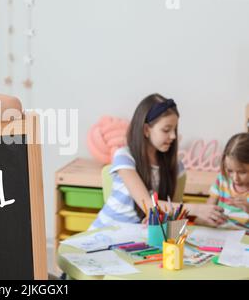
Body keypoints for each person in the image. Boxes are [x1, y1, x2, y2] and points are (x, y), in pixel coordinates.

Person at [89, 93, 226, 229]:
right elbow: (147, 205)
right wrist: (195, 209)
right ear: (146, 130)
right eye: (166, 130)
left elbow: (173, 214)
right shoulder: (124, 156)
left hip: (137, 239)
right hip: (105, 231)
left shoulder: (175, 165)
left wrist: (204, 219)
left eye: (175, 129)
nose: (173, 136)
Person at [201, 133, 248, 228]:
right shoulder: (222, 179)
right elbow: (209, 208)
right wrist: (211, 216)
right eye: (230, 170)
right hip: (222, 232)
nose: (235, 178)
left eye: (242, 172)